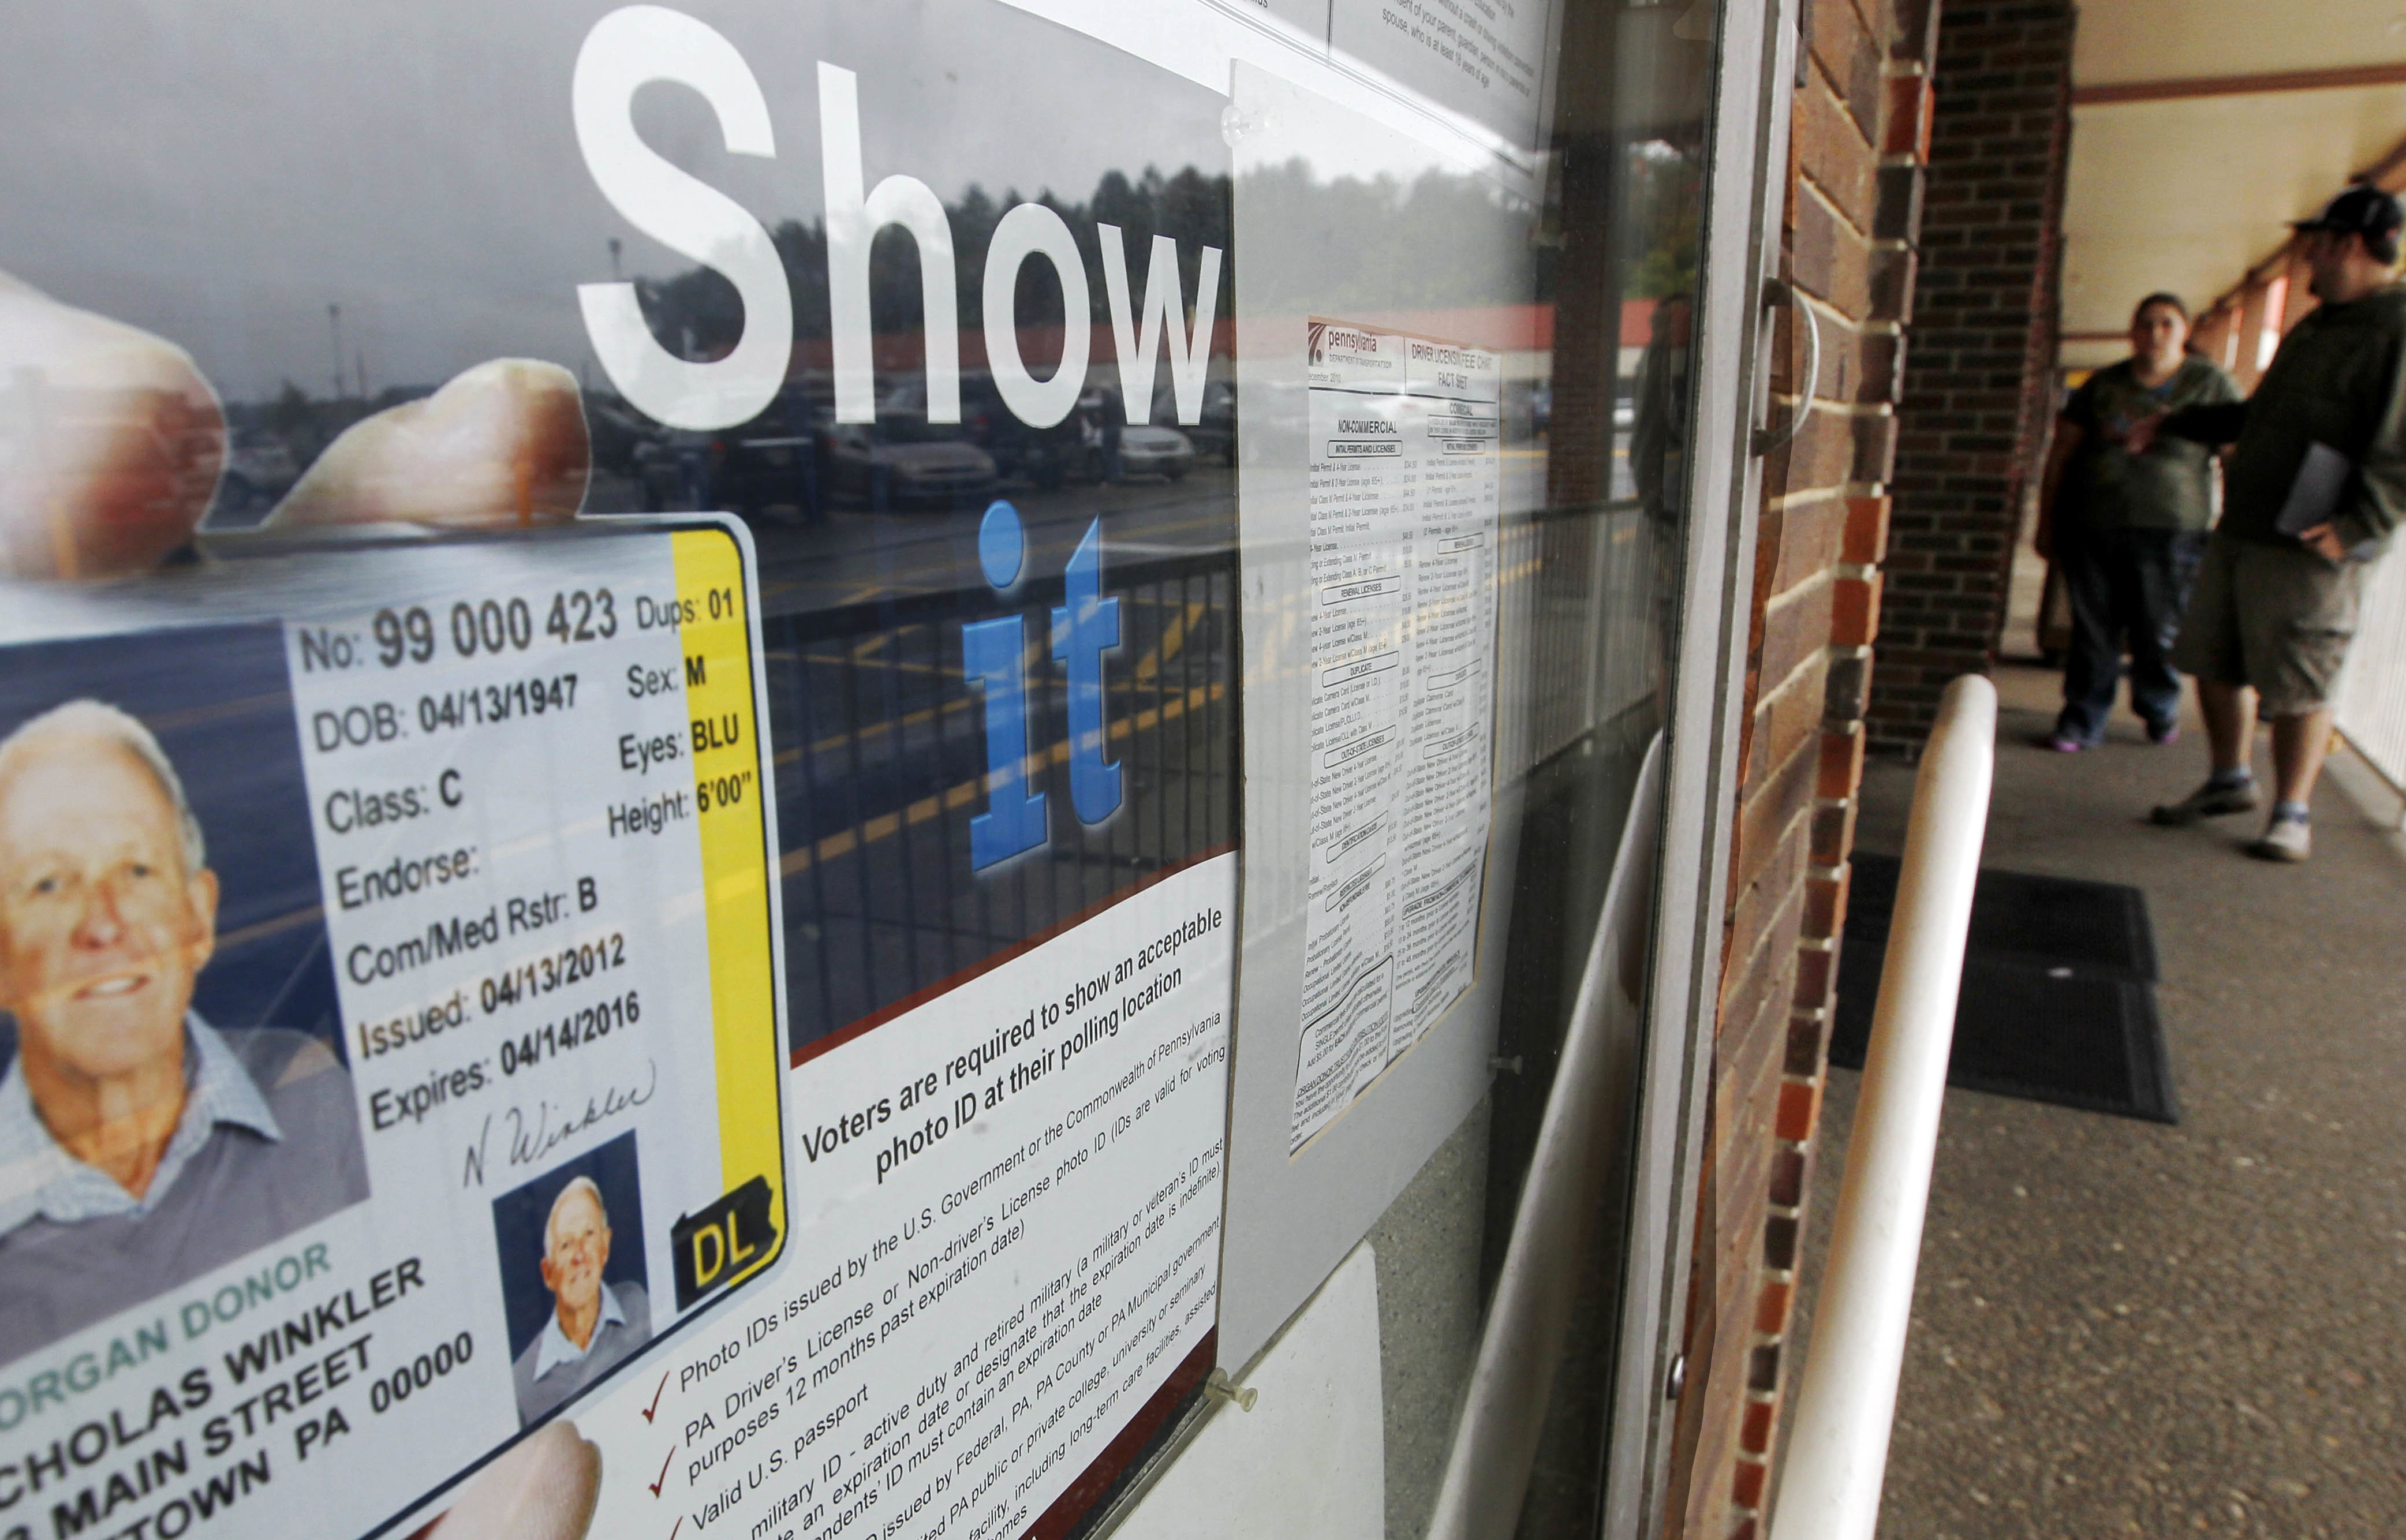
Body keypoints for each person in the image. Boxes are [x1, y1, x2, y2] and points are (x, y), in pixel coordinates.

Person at [0, 700, 369, 1360]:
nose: (104, 923)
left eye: (137, 872)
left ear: (198, 917)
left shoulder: (313, 1096)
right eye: (50, 883)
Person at [2140, 185, 2406, 861]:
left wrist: (2356, 525)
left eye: (2315, 244)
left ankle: (2292, 812)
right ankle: (2229, 779)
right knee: (2212, 655)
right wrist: (2175, 422)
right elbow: (2258, 418)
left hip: (2313, 542)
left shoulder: (2396, 327)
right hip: (2246, 525)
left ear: (2345, 243)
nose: (2308, 260)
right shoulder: (2316, 325)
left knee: (2298, 678)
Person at [2033, 293, 2240, 749]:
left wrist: (2232, 523)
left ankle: (2158, 708)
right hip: (2096, 524)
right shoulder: (2104, 385)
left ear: (2186, 331)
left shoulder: (2209, 386)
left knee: (2158, 630)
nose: (2155, 333)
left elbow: (2232, 456)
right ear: (2132, 331)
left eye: (2167, 324)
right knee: (2092, 629)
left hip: (2173, 529)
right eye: (2145, 323)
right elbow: (2062, 452)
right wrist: (2047, 521)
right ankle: (2082, 718)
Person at [511, 1176, 652, 1424]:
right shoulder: (522, 1385)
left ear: (605, 1247)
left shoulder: (638, 1305)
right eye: (565, 1245)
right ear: (548, 1273)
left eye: (588, 1235)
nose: (579, 1256)